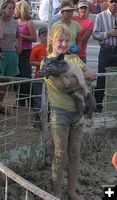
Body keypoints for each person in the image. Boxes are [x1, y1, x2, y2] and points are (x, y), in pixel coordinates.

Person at [44, 23, 96, 199]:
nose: (64, 44)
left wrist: (83, 76)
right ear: (52, 40)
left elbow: (91, 73)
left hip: (77, 113)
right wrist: (82, 78)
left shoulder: (73, 58)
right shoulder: (48, 62)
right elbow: (61, 86)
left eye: (67, 40)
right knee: (60, 154)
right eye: (60, 40)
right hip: (60, 114)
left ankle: (71, 191)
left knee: (75, 153)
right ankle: (56, 193)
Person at [92, 0, 117, 113]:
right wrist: (108, 33)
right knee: (101, 78)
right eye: (112, 1)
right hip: (105, 50)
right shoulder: (100, 16)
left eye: (116, 2)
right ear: (108, 2)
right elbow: (95, 35)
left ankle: (113, 106)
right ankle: (97, 106)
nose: (114, 4)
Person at [0, 0, 21, 114]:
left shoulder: (15, 23)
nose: (12, 10)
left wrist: (18, 48)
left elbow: (18, 36)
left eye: (13, 8)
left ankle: (0, 104)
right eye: (9, 8)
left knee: (6, 82)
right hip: (1, 54)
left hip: (11, 53)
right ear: (4, 9)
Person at [15, 0, 37, 106]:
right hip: (17, 50)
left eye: (16, 9)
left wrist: (22, 36)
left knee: (26, 76)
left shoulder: (29, 22)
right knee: (19, 76)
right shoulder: (17, 22)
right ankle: (21, 100)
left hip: (26, 51)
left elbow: (34, 38)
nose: (15, 11)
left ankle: (31, 101)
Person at [30, 26, 47, 128]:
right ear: (40, 36)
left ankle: (48, 118)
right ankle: (37, 118)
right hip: (39, 77)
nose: (46, 37)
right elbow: (31, 61)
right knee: (38, 99)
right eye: (44, 35)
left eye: (47, 35)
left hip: (50, 79)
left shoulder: (53, 48)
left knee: (49, 99)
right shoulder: (36, 48)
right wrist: (41, 63)